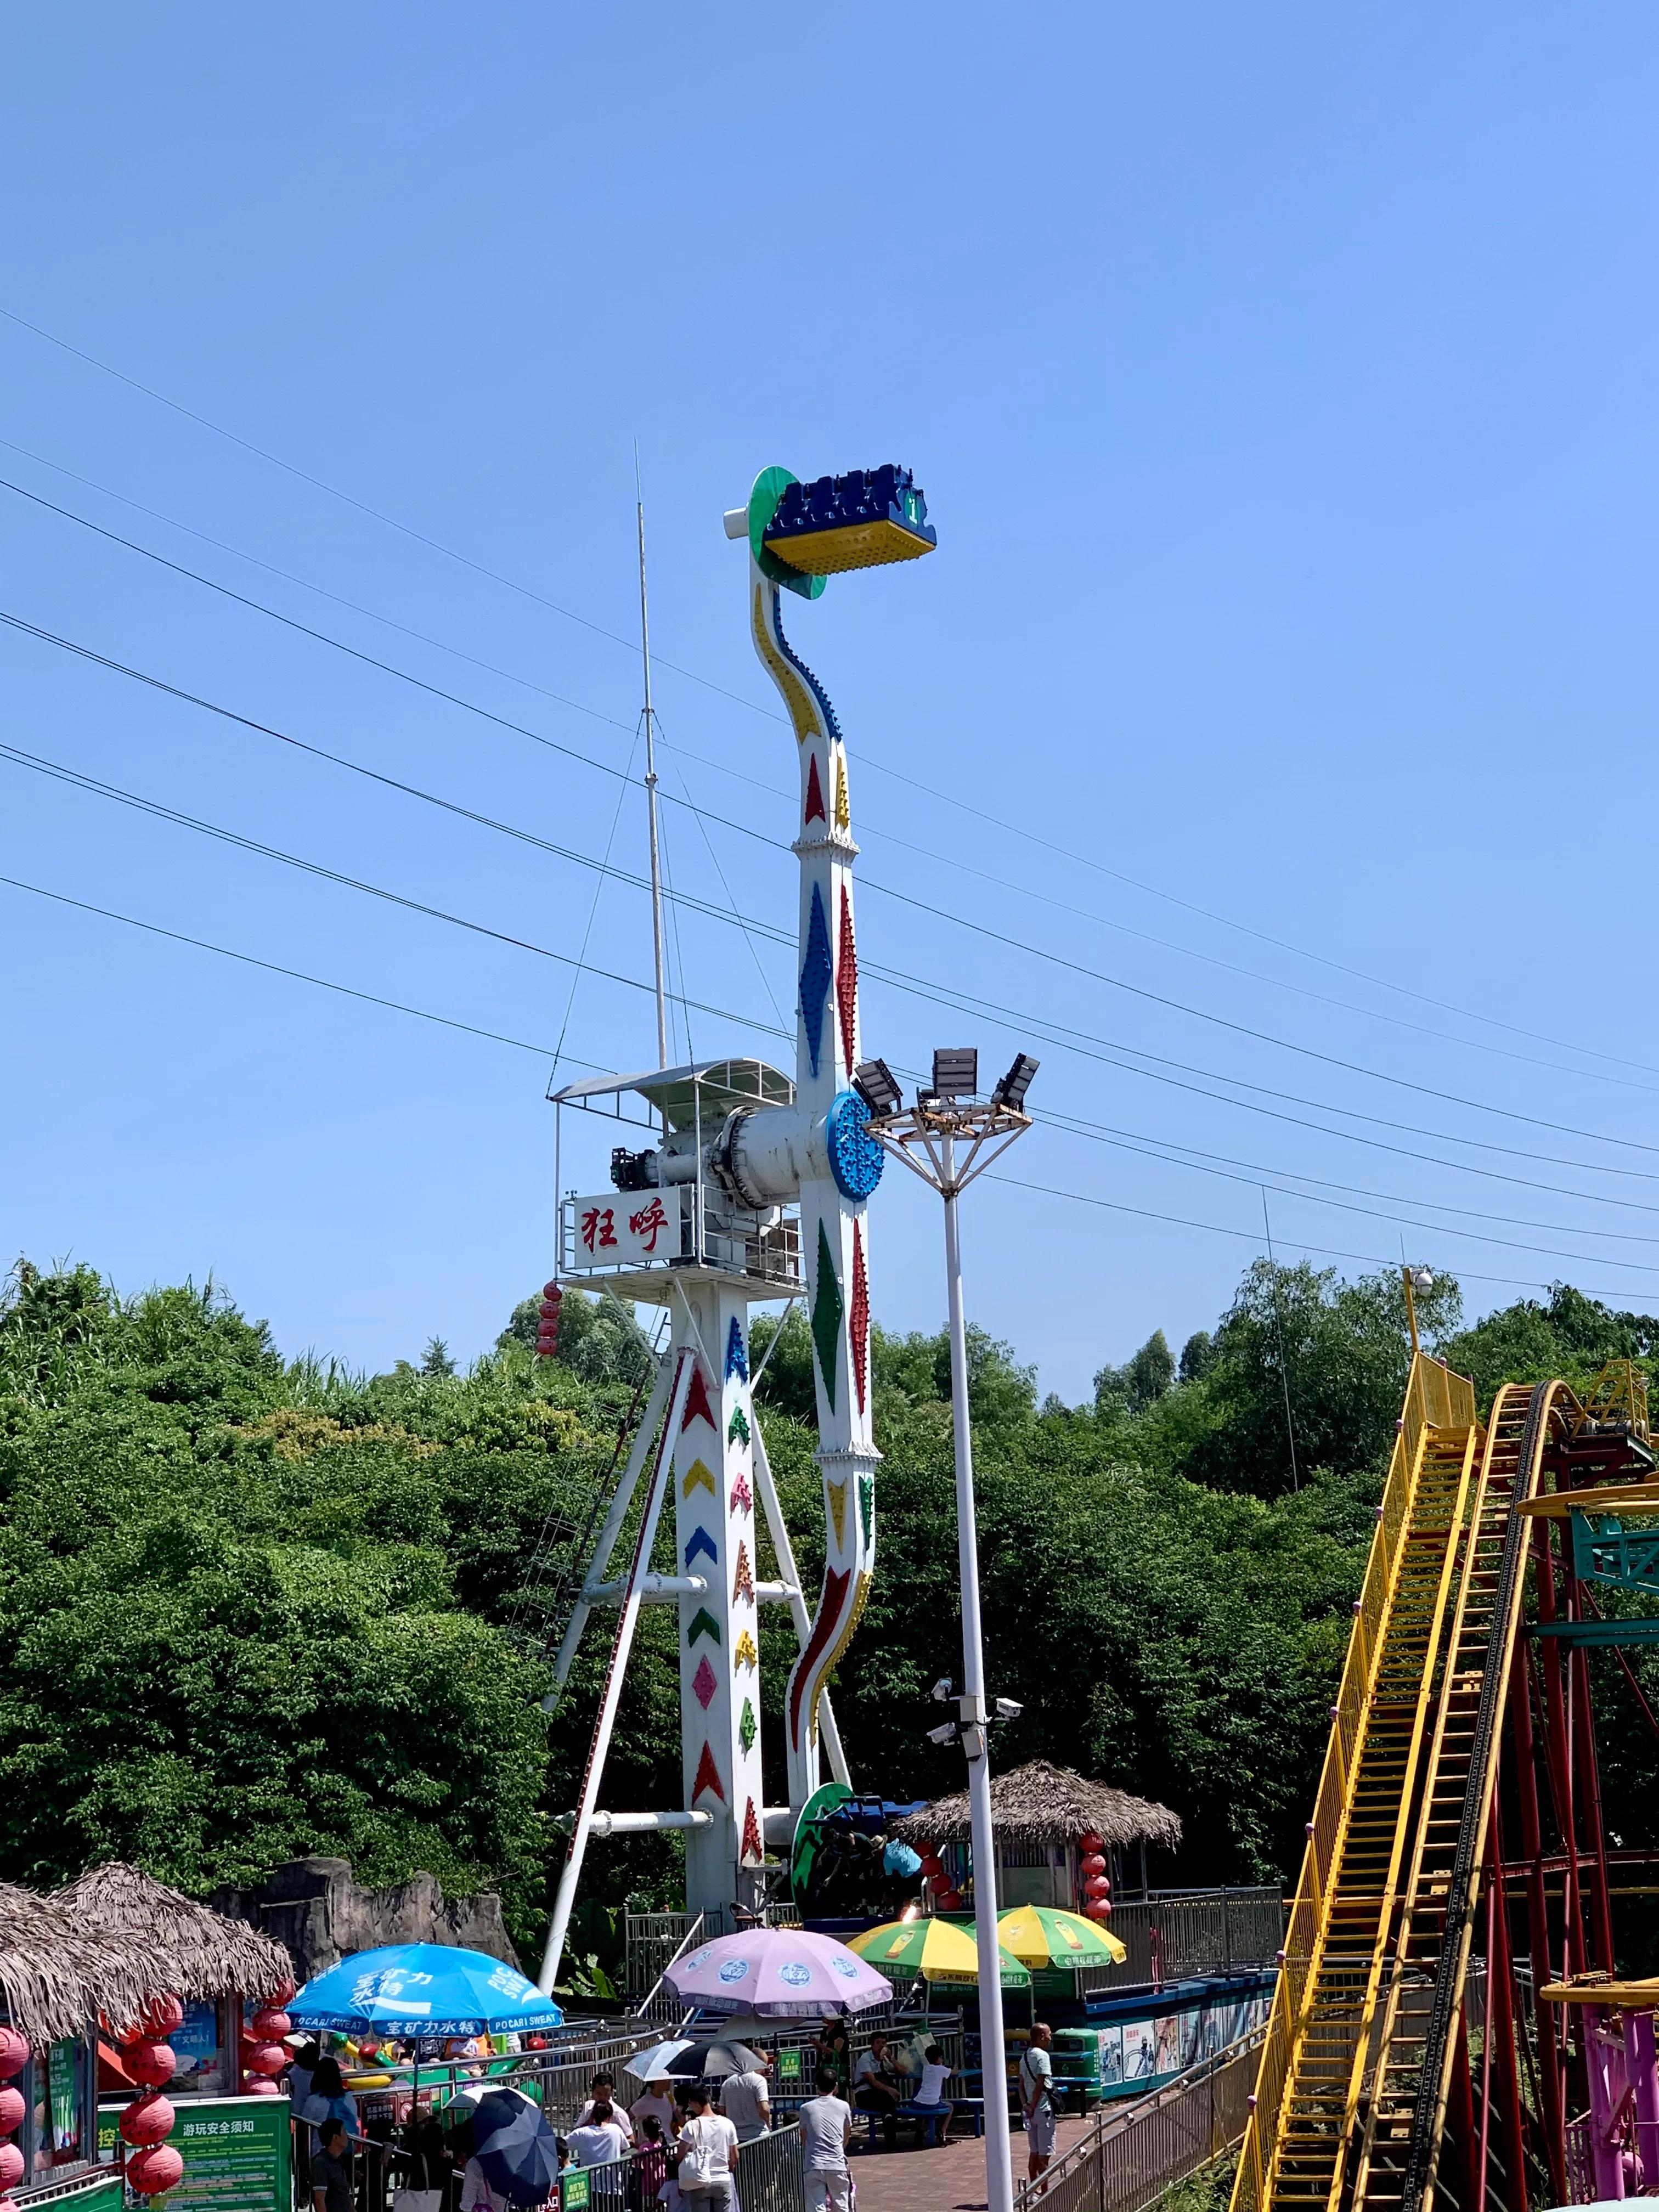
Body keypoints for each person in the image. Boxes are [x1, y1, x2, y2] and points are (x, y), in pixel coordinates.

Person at [672, 2086, 738, 2212]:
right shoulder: (728, 2123)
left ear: (697, 2103)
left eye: (691, 2104)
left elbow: (680, 2154)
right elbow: (735, 2156)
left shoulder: (692, 2126)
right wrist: (728, 2169)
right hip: (723, 2179)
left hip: (700, 2181)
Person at [798, 2066, 851, 2212]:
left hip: (814, 2163)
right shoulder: (844, 2106)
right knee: (841, 2206)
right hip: (836, 2163)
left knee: (816, 2207)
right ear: (836, 2087)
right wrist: (840, 2149)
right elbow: (847, 2133)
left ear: (817, 2087)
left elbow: (804, 2138)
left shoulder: (806, 2108)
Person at [1018, 2023, 1058, 2186]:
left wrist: (1026, 2106)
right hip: (1043, 2110)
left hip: (1030, 2111)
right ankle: (1044, 2192)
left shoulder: (1025, 2056)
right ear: (1041, 2036)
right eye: (1049, 2035)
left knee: (1034, 2151)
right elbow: (1040, 2084)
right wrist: (1034, 2105)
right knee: (1044, 2154)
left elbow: (1020, 2084)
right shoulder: (1043, 2056)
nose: (1050, 2038)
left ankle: (1032, 2190)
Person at [851, 2035, 899, 2149]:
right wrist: (891, 2090)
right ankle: (890, 2137)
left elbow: (903, 2071)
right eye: (878, 2043)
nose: (881, 2046)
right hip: (864, 2095)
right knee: (888, 2099)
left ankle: (890, 2136)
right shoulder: (865, 2059)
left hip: (881, 2095)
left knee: (889, 2101)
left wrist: (891, 2058)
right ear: (872, 2045)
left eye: (884, 2043)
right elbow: (873, 2082)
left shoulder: (885, 2060)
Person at [716, 2051, 771, 2144]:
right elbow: (764, 2109)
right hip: (758, 2135)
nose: (764, 2070)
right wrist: (768, 2124)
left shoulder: (727, 2083)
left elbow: (722, 2110)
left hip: (736, 2137)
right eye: (763, 2066)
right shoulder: (759, 2081)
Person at [568, 2101, 631, 2170]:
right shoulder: (616, 2130)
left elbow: (562, 2145)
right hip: (613, 2178)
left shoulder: (581, 2133)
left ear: (593, 2116)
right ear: (610, 2117)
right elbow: (625, 2147)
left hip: (589, 2179)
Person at [913, 2046, 956, 2146]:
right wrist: (955, 2068)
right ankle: (943, 2131)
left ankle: (920, 2130)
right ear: (939, 2058)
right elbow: (954, 2073)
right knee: (950, 2106)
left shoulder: (926, 2068)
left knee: (923, 2112)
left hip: (919, 2101)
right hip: (933, 2103)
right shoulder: (941, 2069)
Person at [312, 2119, 354, 2212]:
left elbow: (344, 2195)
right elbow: (320, 2200)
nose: (348, 2136)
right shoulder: (321, 2163)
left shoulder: (338, 2161)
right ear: (335, 2137)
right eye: (344, 2132)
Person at [578, 2073, 635, 2141]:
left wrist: (611, 2142)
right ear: (593, 2092)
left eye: (606, 2095)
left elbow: (632, 2140)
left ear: (611, 2093)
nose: (602, 2098)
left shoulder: (618, 2114)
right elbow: (576, 2131)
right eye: (599, 2094)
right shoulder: (588, 2106)